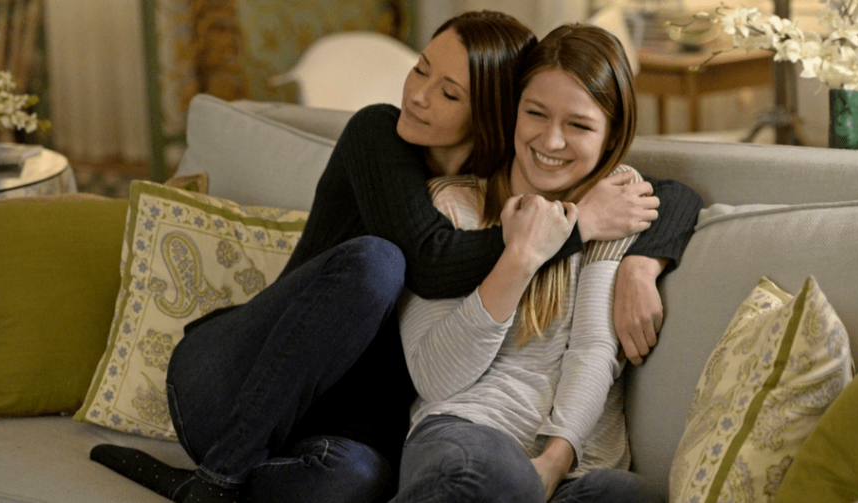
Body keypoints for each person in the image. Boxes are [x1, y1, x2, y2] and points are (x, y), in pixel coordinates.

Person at [90, 11, 702, 503]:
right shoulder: (382, 139)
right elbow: (431, 260)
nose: (418, 96)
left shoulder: (529, 177)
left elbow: (667, 193)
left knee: (354, 484)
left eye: (449, 91)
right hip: (235, 382)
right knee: (377, 264)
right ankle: (217, 480)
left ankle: (215, 484)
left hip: (336, 424)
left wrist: (641, 260)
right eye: (420, 69)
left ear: (491, 110)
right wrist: (572, 230)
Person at [392, 23, 665, 503]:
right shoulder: (452, 205)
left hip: (576, 462)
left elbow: (593, 350)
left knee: (631, 497)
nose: (551, 141)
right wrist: (521, 256)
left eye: (578, 126)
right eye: (535, 113)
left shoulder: (617, 203)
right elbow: (435, 377)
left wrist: (553, 463)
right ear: (513, 111)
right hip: (468, 433)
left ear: (611, 136)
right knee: (495, 476)